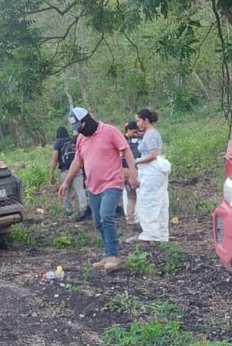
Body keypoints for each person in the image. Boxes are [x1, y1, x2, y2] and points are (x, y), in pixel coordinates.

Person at [58, 107, 139, 271]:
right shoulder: (81, 139)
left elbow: (126, 150)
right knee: (98, 223)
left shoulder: (110, 131)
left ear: (87, 121)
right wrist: (66, 182)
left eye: (80, 127)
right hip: (93, 186)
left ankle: (113, 256)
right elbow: (77, 161)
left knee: (106, 216)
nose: (79, 131)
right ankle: (108, 254)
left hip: (112, 183)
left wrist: (133, 173)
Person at [131, 108, 170, 243]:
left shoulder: (151, 134)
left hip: (152, 170)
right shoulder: (148, 134)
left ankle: (152, 233)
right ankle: (160, 233)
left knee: (149, 201)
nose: (137, 124)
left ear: (146, 120)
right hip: (151, 170)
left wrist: (136, 161)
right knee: (158, 200)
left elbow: (153, 155)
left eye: (139, 121)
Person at [50, 126, 89, 220]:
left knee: (66, 191)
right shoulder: (72, 140)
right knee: (80, 190)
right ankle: (83, 209)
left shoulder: (58, 143)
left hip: (65, 170)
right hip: (77, 169)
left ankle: (69, 211)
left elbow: (55, 158)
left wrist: (51, 173)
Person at [121, 121, 143, 225]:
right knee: (138, 193)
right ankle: (135, 217)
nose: (135, 134)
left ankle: (130, 218)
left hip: (122, 171)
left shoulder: (123, 139)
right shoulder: (125, 141)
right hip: (128, 171)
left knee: (131, 195)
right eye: (134, 132)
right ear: (129, 130)